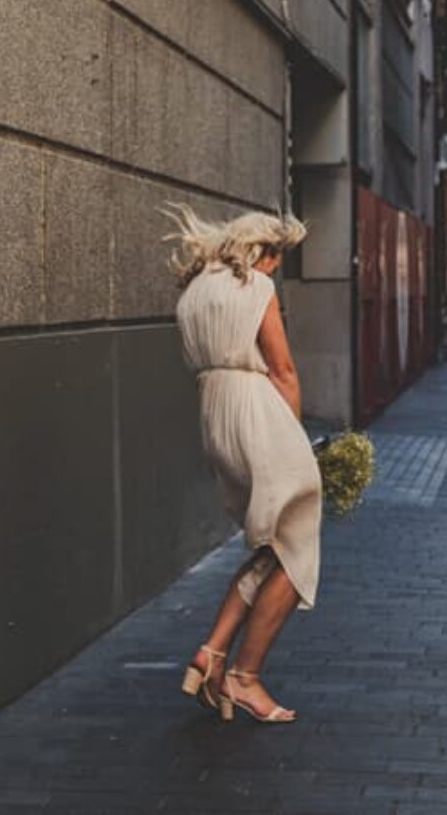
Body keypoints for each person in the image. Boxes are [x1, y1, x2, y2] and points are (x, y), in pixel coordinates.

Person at [166, 205, 319, 724]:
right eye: (277, 258)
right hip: (258, 414)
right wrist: (298, 435)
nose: (276, 269)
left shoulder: (196, 291)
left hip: (215, 415)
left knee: (271, 545)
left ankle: (211, 652)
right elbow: (284, 369)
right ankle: (245, 677)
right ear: (263, 251)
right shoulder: (255, 287)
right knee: (297, 547)